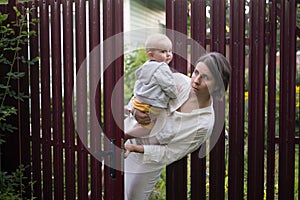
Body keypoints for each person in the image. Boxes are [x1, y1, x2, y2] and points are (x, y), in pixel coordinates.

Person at [124, 52, 231, 200]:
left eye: (205, 77)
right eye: (196, 72)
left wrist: (135, 149)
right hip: (125, 134)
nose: (196, 80)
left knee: (131, 197)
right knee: (104, 185)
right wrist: (134, 111)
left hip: (145, 161)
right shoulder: (178, 81)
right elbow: (142, 94)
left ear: (217, 86)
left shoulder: (203, 125)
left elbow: (169, 153)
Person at [124, 33, 177, 142]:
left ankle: (127, 135)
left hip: (139, 101)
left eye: (169, 51)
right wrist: (174, 94)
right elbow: (169, 86)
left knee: (142, 125)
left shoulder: (147, 66)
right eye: (163, 51)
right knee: (148, 129)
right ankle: (123, 136)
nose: (168, 55)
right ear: (151, 55)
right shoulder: (162, 68)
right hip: (150, 104)